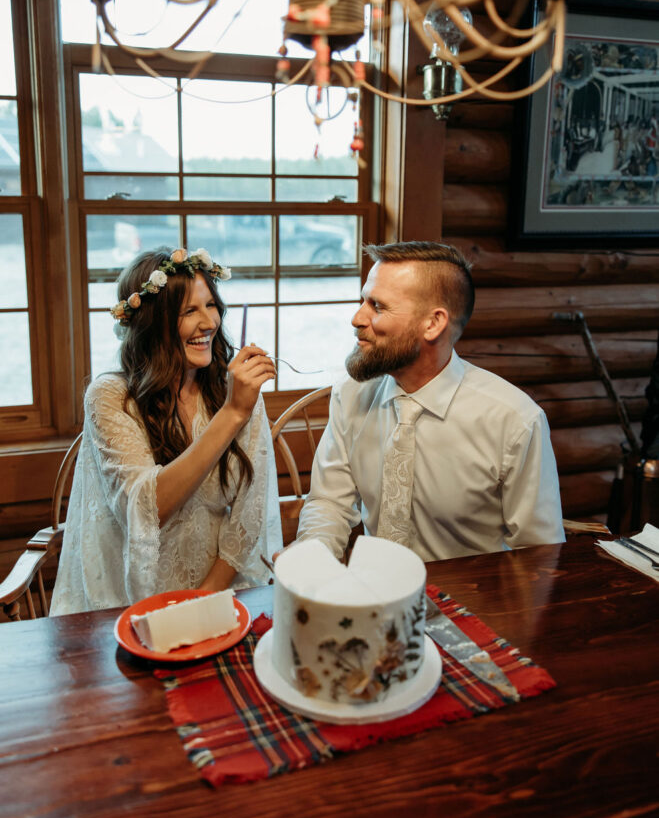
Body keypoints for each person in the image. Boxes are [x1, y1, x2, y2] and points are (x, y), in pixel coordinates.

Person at [296, 241, 564, 562]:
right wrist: (310, 560)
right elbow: (330, 502)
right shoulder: (351, 395)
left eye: (377, 307)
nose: (357, 318)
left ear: (433, 323)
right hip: (372, 593)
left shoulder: (515, 421)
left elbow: (539, 553)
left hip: (473, 602)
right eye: (363, 301)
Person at [51, 247, 282, 615]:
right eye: (189, 311)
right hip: (132, 602)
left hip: (222, 594)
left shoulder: (231, 388)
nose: (208, 323)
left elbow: (249, 513)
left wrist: (203, 601)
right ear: (151, 323)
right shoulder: (111, 398)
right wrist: (233, 413)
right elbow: (148, 508)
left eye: (211, 306)